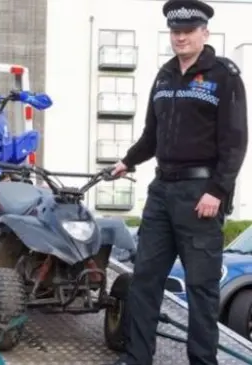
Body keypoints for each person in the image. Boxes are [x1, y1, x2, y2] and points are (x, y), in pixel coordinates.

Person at [109, 1, 248, 364]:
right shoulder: (165, 75)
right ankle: (137, 357)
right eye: (176, 31)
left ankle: (202, 362)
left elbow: (235, 141)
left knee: (201, 289)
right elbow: (151, 136)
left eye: (189, 31)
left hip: (200, 195)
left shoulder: (224, 74)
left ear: (204, 32)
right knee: (144, 281)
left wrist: (217, 190)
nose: (181, 37)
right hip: (161, 192)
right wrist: (128, 160)